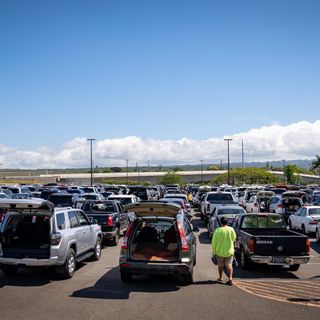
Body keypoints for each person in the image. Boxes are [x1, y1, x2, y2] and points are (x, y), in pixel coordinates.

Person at [211, 216, 236, 285]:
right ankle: (230, 278)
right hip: (229, 251)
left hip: (219, 252)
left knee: (220, 265)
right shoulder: (231, 229)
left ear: (220, 223)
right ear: (227, 222)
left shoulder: (217, 230)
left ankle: (221, 277)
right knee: (229, 265)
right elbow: (234, 239)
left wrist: (214, 252)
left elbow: (213, 242)